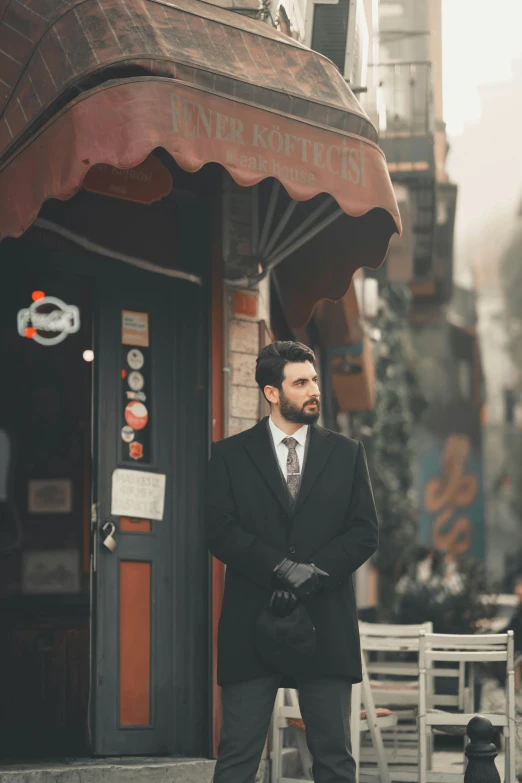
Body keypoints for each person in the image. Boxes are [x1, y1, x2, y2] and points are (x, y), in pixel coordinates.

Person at [206, 340, 379, 783]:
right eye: (300, 382)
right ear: (271, 392)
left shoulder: (347, 452)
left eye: (314, 380)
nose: (312, 390)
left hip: (325, 621)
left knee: (334, 761)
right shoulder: (229, 455)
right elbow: (219, 532)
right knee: (237, 759)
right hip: (251, 624)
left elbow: (364, 532)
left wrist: (313, 575)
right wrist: (281, 569)